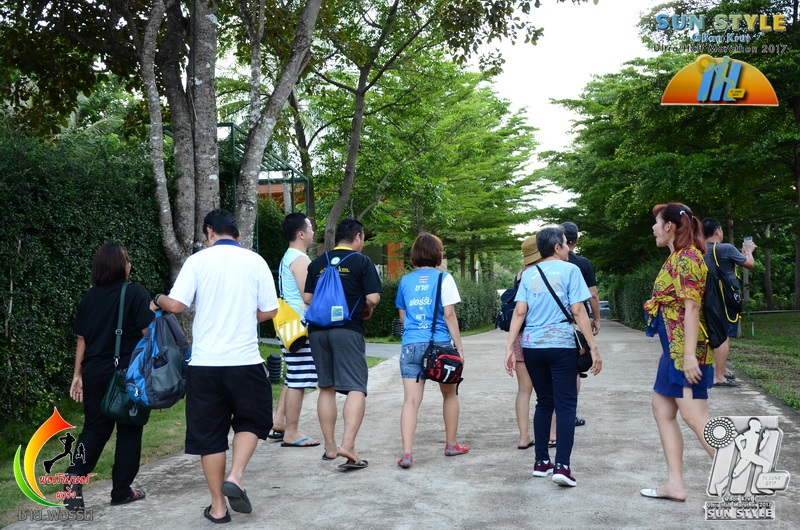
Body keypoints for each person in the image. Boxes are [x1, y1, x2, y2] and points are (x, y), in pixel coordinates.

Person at [153, 209, 278, 524]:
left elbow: (176, 305)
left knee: (209, 436)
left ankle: (218, 508)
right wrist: (243, 315)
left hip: (205, 365)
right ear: (238, 235)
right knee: (252, 421)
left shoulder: (197, 261)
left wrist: (158, 298)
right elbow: (270, 310)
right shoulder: (255, 261)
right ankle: (235, 476)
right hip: (246, 362)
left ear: (209, 232)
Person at [504, 226, 601, 488]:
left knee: (544, 401)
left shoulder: (528, 274)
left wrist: (509, 348)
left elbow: (519, 312)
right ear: (557, 247)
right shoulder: (571, 270)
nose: (569, 248)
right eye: (566, 244)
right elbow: (578, 310)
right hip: (561, 345)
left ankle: (541, 462)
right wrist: (593, 347)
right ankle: (563, 467)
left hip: (532, 346)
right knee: (566, 404)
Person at [66, 243, 153, 511]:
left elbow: (82, 339)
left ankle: (72, 482)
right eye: (127, 258)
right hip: (127, 375)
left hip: (94, 372)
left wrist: (77, 375)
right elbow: (148, 333)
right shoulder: (135, 293)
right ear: (119, 264)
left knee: (94, 429)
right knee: (129, 431)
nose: (130, 263)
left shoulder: (88, 298)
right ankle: (121, 491)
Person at [641, 203, 715, 503]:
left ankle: (743, 475)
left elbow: (692, 308)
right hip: (672, 352)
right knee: (662, 411)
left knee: (695, 416)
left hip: (686, 352)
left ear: (669, 226)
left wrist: (688, 356)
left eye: (657, 223)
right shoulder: (677, 256)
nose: (654, 228)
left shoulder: (686, 259)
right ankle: (675, 485)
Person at [303, 218, 382, 471]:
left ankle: (330, 447)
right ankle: (348, 445)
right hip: (347, 329)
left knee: (326, 387)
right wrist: (366, 308)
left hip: (317, 331)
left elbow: (307, 298)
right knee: (356, 387)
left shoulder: (317, 262)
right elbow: (373, 298)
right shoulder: (362, 261)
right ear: (357, 237)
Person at [395, 233, 468, 468]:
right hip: (439, 346)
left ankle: (407, 453)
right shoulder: (444, 278)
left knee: (410, 401)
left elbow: (403, 318)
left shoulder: (405, 281)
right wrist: (459, 347)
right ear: (438, 254)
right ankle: (451, 444)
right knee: (450, 395)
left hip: (411, 345)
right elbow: (449, 315)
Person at [269, 213, 320, 447]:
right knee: (299, 379)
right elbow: (308, 296)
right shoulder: (300, 260)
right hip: (300, 326)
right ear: (301, 234)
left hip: (288, 325)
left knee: (293, 375)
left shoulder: (288, 257)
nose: (313, 231)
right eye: (310, 227)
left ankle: (279, 422)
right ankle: (292, 432)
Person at [701, 217, 756, 387]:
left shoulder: (698, 250)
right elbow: (749, 264)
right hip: (726, 298)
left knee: (714, 332)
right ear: (718, 231)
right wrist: (748, 251)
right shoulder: (726, 248)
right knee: (723, 335)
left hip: (707, 298)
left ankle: (721, 369)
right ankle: (719, 376)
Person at [562, 221, 600, 428]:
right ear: (576, 240)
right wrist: (596, 319)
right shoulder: (582, 263)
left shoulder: (545, 263)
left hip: (553, 321)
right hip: (576, 320)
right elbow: (593, 294)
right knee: (574, 368)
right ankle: (570, 414)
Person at [511, 235, 541, 450]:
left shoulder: (520, 275)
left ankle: (523, 436)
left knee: (524, 390)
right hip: (540, 335)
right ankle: (551, 434)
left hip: (520, 335)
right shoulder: (544, 273)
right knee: (548, 390)